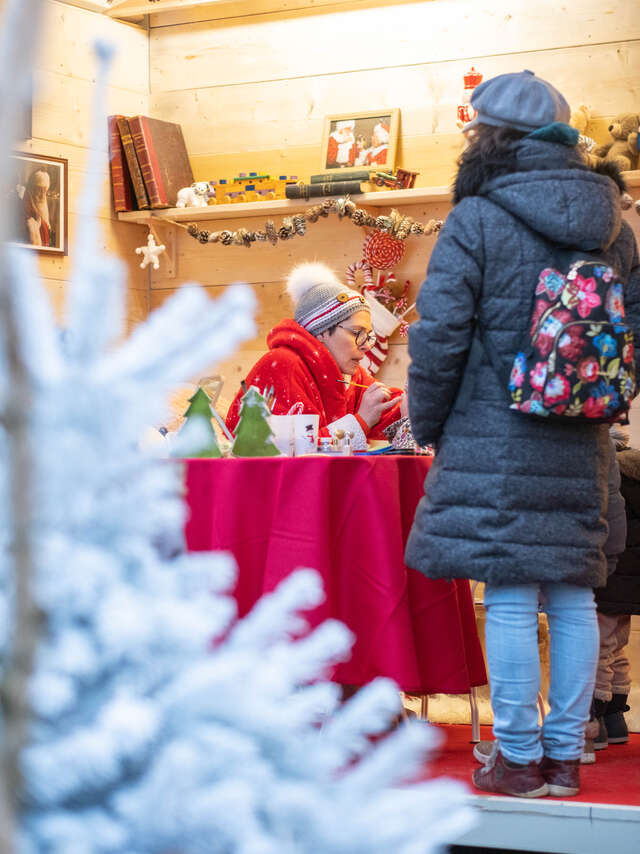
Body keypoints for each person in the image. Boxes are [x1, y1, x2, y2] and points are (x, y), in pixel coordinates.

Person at [404, 69, 640, 798]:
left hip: (492, 435)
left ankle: (514, 759)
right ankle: (564, 759)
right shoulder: (614, 226)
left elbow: (438, 336)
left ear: (490, 138)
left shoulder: (476, 219)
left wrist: (429, 421)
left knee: (510, 592)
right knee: (573, 589)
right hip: (582, 439)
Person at [225, 262, 403, 448]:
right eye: (357, 333)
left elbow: (385, 414)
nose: (366, 346)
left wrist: (414, 403)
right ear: (322, 332)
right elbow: (291, 451)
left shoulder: (350, 374)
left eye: (368, 336)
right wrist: (361, 421)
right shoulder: (282, 365)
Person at [590, 425, 640, 751]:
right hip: (632, 587)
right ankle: (615, 717)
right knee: (617, 646)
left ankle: (595, 720)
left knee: (596, 649)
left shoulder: (604, 472)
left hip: (608, 578)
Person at [22, 167, 53, 247]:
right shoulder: (27, 198)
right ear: (33, 188)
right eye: (39, 189)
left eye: (45, 189)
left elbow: (45, 219)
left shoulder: (43, 199)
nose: (42, 193)